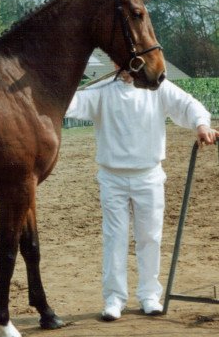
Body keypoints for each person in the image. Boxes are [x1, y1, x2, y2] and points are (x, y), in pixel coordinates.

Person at [65, 67, 218, 321]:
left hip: (149, 174)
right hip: (111, 176)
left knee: (150, 237)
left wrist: (202, 124)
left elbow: (188, 104)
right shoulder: (100, 91)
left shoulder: (157, 86)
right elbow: (69, 103)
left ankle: (149, 295)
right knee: (115, 238)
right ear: (115, 63)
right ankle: (114, 298)